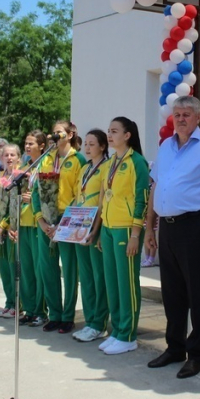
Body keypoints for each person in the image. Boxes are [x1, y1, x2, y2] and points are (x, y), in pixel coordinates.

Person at [144, 96, 200, 378]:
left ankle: (197, 354)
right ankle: (174, 347)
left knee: (196, 294)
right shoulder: (166, 146)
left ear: (197, 117)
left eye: (185, 114)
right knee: (171, 292)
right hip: (167, 228)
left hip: (195, 226)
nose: (180, 119)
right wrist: (149, 228)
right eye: (176, 114)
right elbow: (156, 187)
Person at [96, 118, 149, 355]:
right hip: (108, 227)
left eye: (115, 131)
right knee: (113, 283)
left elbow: (142, 198)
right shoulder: (110, 163)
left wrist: (136, 233)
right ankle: (117, 330)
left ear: (127, 135)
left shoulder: (137, 161)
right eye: (108, 131)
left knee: (127, 283)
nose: (110, 134)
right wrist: (99, 230)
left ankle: (128, 335)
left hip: (127, 228)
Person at [33, 121, 85, 333]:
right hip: (46, 222)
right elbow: (36, 191)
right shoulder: (44, 159)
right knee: (48, 268)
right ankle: (54, 314)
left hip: (68, 220)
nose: (54, 136)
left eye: (59, 133)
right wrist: (42, 220)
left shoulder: (78, 159)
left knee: (70, 270)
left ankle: (67, 316)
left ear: (71, 134)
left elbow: (80, 194)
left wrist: (62, 223)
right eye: (52, 132)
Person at [2, 131, 48, 327]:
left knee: (39, 270)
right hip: (23, 223)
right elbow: (13, 198)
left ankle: (40, 311)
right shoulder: (23, 168)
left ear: (42, 146)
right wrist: (12, 224)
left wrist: (34, 197)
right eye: (26, 143)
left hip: (38, 223)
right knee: (26, 270)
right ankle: (28, 309)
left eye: (31, 144)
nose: (28, 147)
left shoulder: (46, 164)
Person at [71, 129, 110, 342]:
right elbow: (79, 196)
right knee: (85, 277)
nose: (87, 147)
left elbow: (103, 200)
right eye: (85, 143)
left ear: (103, 146)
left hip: (97, 226)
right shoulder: (85, 168)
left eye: (92, 144)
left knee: (98, 277)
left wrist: (97, 227)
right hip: (80, 226)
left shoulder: (106, 167)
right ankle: (89, 320)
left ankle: (99, 323)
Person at [0, 144, 21, 318]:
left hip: (12, 229)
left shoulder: (20, 177)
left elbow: (16, 205)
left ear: (18, 157)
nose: (9, 158)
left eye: (12, 155)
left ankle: (18, 303)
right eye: (6, 155)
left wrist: (5, 225)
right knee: (4, 269)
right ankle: (9, 302)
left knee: (14, 267)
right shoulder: (0, 178)